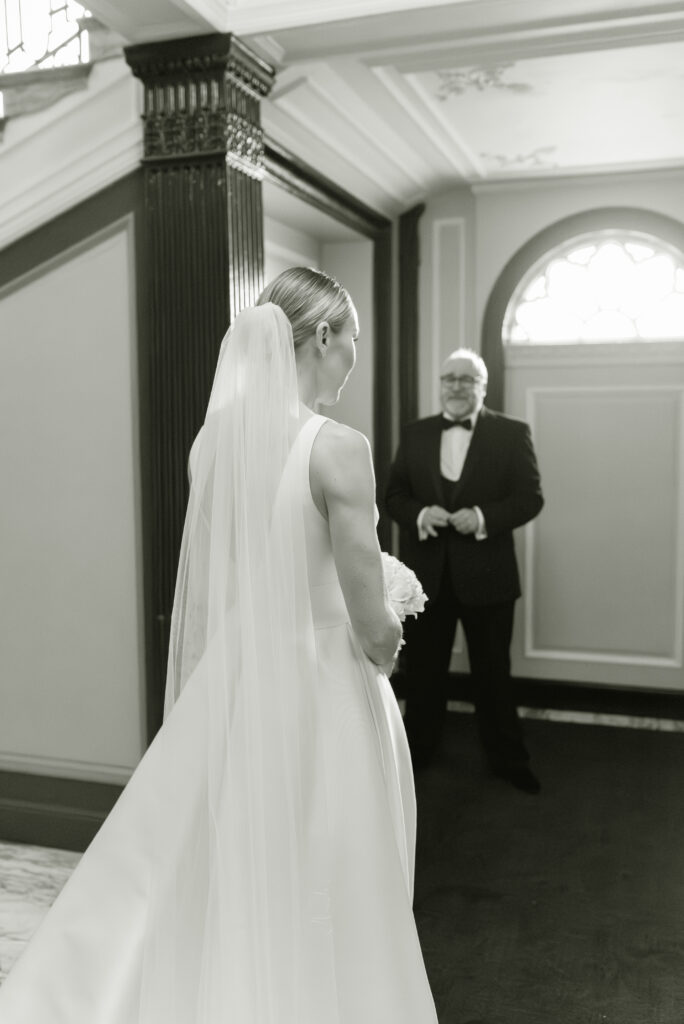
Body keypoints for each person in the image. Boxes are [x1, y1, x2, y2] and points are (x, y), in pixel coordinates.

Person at [0, 268, 438, 1023]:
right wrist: (394, 620)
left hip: (235, 681)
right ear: (324, 336)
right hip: (321, 686)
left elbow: (210, 594)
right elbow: (371, 628)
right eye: (353, 342)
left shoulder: (214, 442)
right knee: (333, 868)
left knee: (223, 862)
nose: (352, 360)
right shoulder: (339, 446)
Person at [385, 347, 544, 793]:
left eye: (466, 379)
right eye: (448, 378)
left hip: (489, 578)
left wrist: (483, 518)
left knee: (493, 675)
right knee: (423, 674)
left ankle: (509, 760)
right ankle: (416, 755)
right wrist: (419, 514)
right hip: (427, 579)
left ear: (483, 387)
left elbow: (530, 497)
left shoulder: (512, 433)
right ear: (440, 385)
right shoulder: (415, 434)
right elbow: (394, 494)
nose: (456, 386)